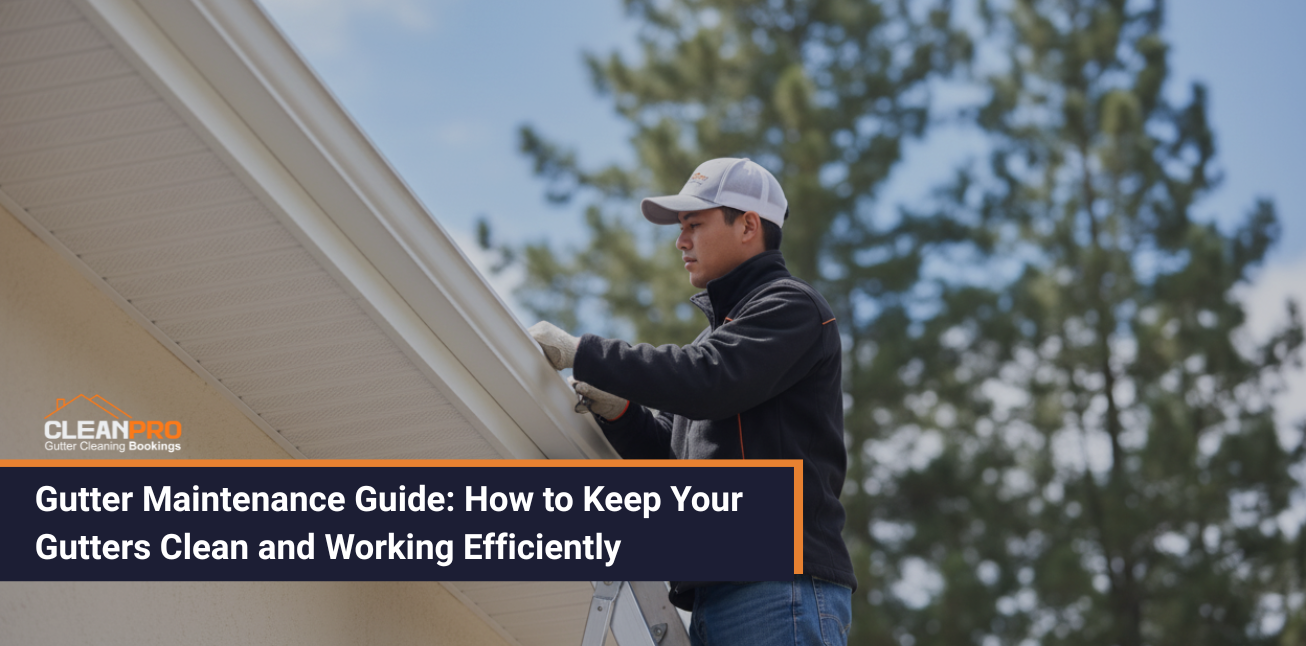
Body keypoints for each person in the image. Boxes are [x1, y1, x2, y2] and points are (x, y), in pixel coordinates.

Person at [528, 157, 855, 646]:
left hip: (777, 584)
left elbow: (708, 381)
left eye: (694, 225)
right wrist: (621, 411)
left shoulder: (792, 307)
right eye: (681, 228)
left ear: (748, 225)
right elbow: (669, 457)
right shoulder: (717, 341)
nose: (681, 242)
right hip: (720, 593)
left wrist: (584, 353)